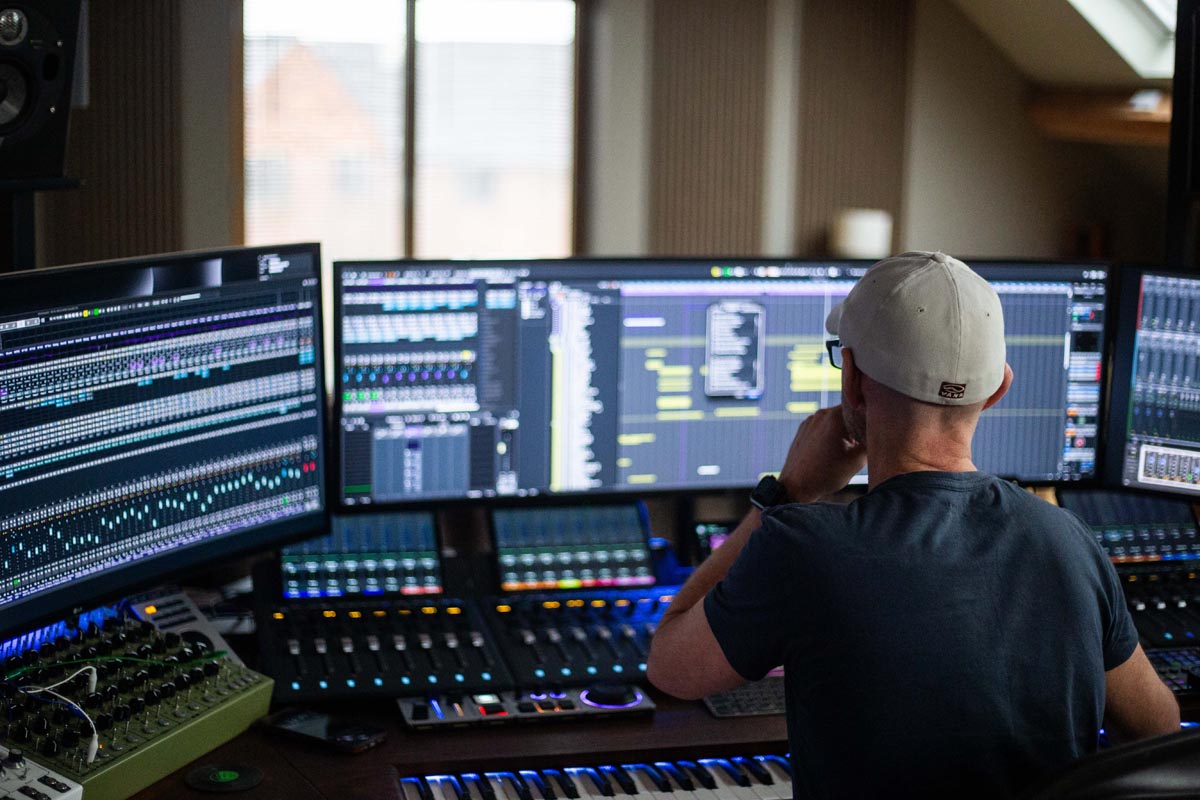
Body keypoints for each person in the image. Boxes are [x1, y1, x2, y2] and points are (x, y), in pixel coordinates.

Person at [646, 252, 1180, 799]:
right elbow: (1156, 728)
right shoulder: (1069, 541)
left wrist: (783, 494)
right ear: (998, 388)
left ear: (852, 381)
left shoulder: (802, 547)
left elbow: (669, 667)